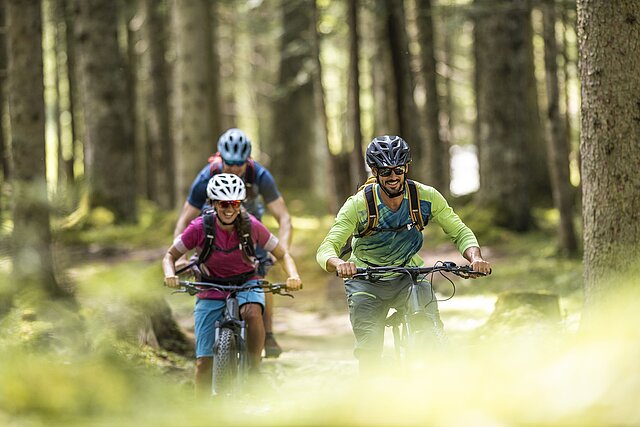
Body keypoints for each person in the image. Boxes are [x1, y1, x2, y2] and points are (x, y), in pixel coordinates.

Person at [316, 135, 491, 372]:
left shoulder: (424, 197)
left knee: (430, 326)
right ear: (375, 172)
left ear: (406, 168)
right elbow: (327, 248)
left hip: (409, 275)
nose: (393, 177)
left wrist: (475, 258)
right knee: (369, 350)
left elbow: (459, 231)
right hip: (366, 280)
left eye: (398, 169)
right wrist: (339, 264)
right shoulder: (359, 205)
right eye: (385, 171)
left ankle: (440, 378)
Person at [164, 174, 302, 395]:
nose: (229, 209)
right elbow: (170, 255)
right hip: (209, 287)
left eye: (235, 203)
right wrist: (169, 274)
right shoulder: (199, 227)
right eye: (223, 203)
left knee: (253, 312)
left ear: (241, 204)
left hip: (246, 281)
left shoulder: (251, 226)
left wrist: (293, 276)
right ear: (213, 203)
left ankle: (255, 370)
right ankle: (200, 415)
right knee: (203, 364)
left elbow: (282, 254)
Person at [173, 128, 292, 358]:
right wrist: (181, 258)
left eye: (240, 165)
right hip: (215, 234)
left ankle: (267, 334)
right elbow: (184, 220)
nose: (235, 169)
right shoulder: (206, 176)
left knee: (261, 278)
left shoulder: (260, 176)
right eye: (229, 164)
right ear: (220, 158)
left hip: (251, 234)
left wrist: (281, 251)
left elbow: (284, 218)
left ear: (248, 160)